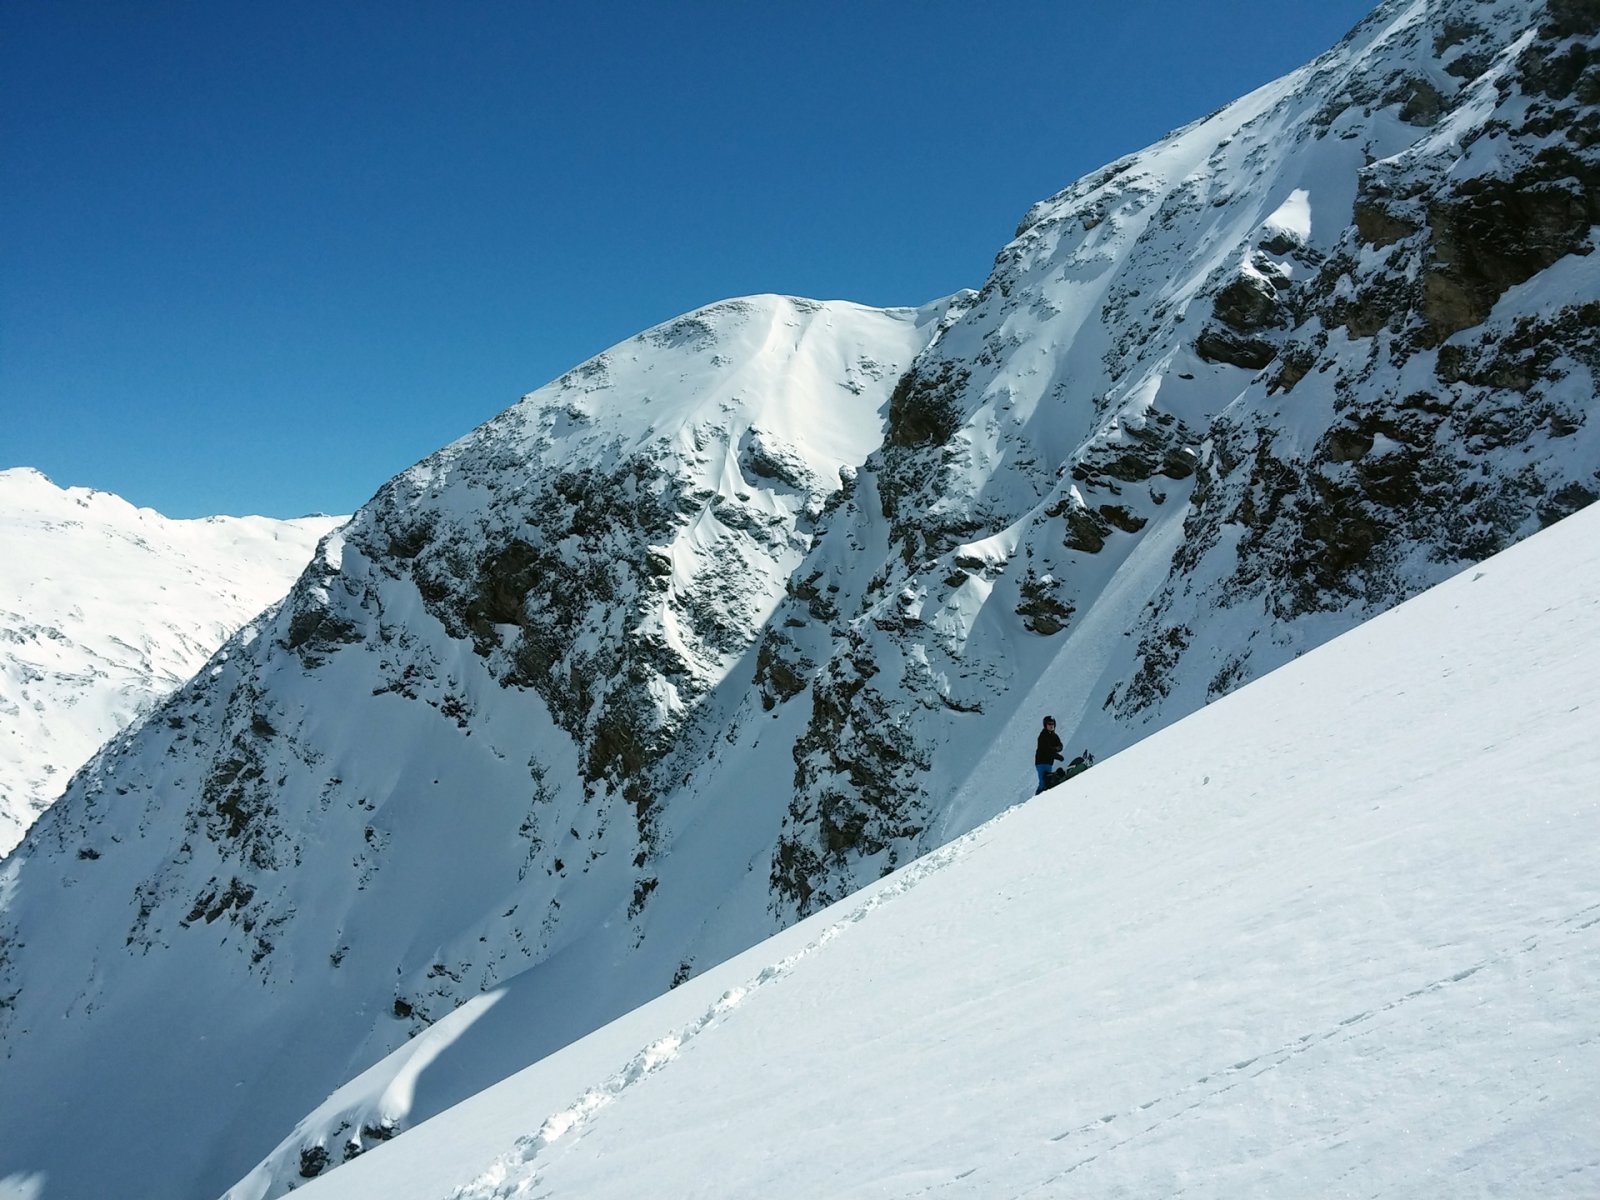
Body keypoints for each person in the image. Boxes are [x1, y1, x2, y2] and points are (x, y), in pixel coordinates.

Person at [1034, 715, 1063, 793]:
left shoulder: (1054, 736)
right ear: (1045, 725)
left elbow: (1060, 745)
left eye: (1052, 724)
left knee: (1048, 781)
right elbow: (1046, 750)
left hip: (1049, 762)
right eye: (1049, 724)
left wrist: (1056, 749)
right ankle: (1035, 800)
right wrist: (1057, 755)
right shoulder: (1043, 736)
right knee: (1043, 783)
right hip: (1041, 762)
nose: (1051, 726)